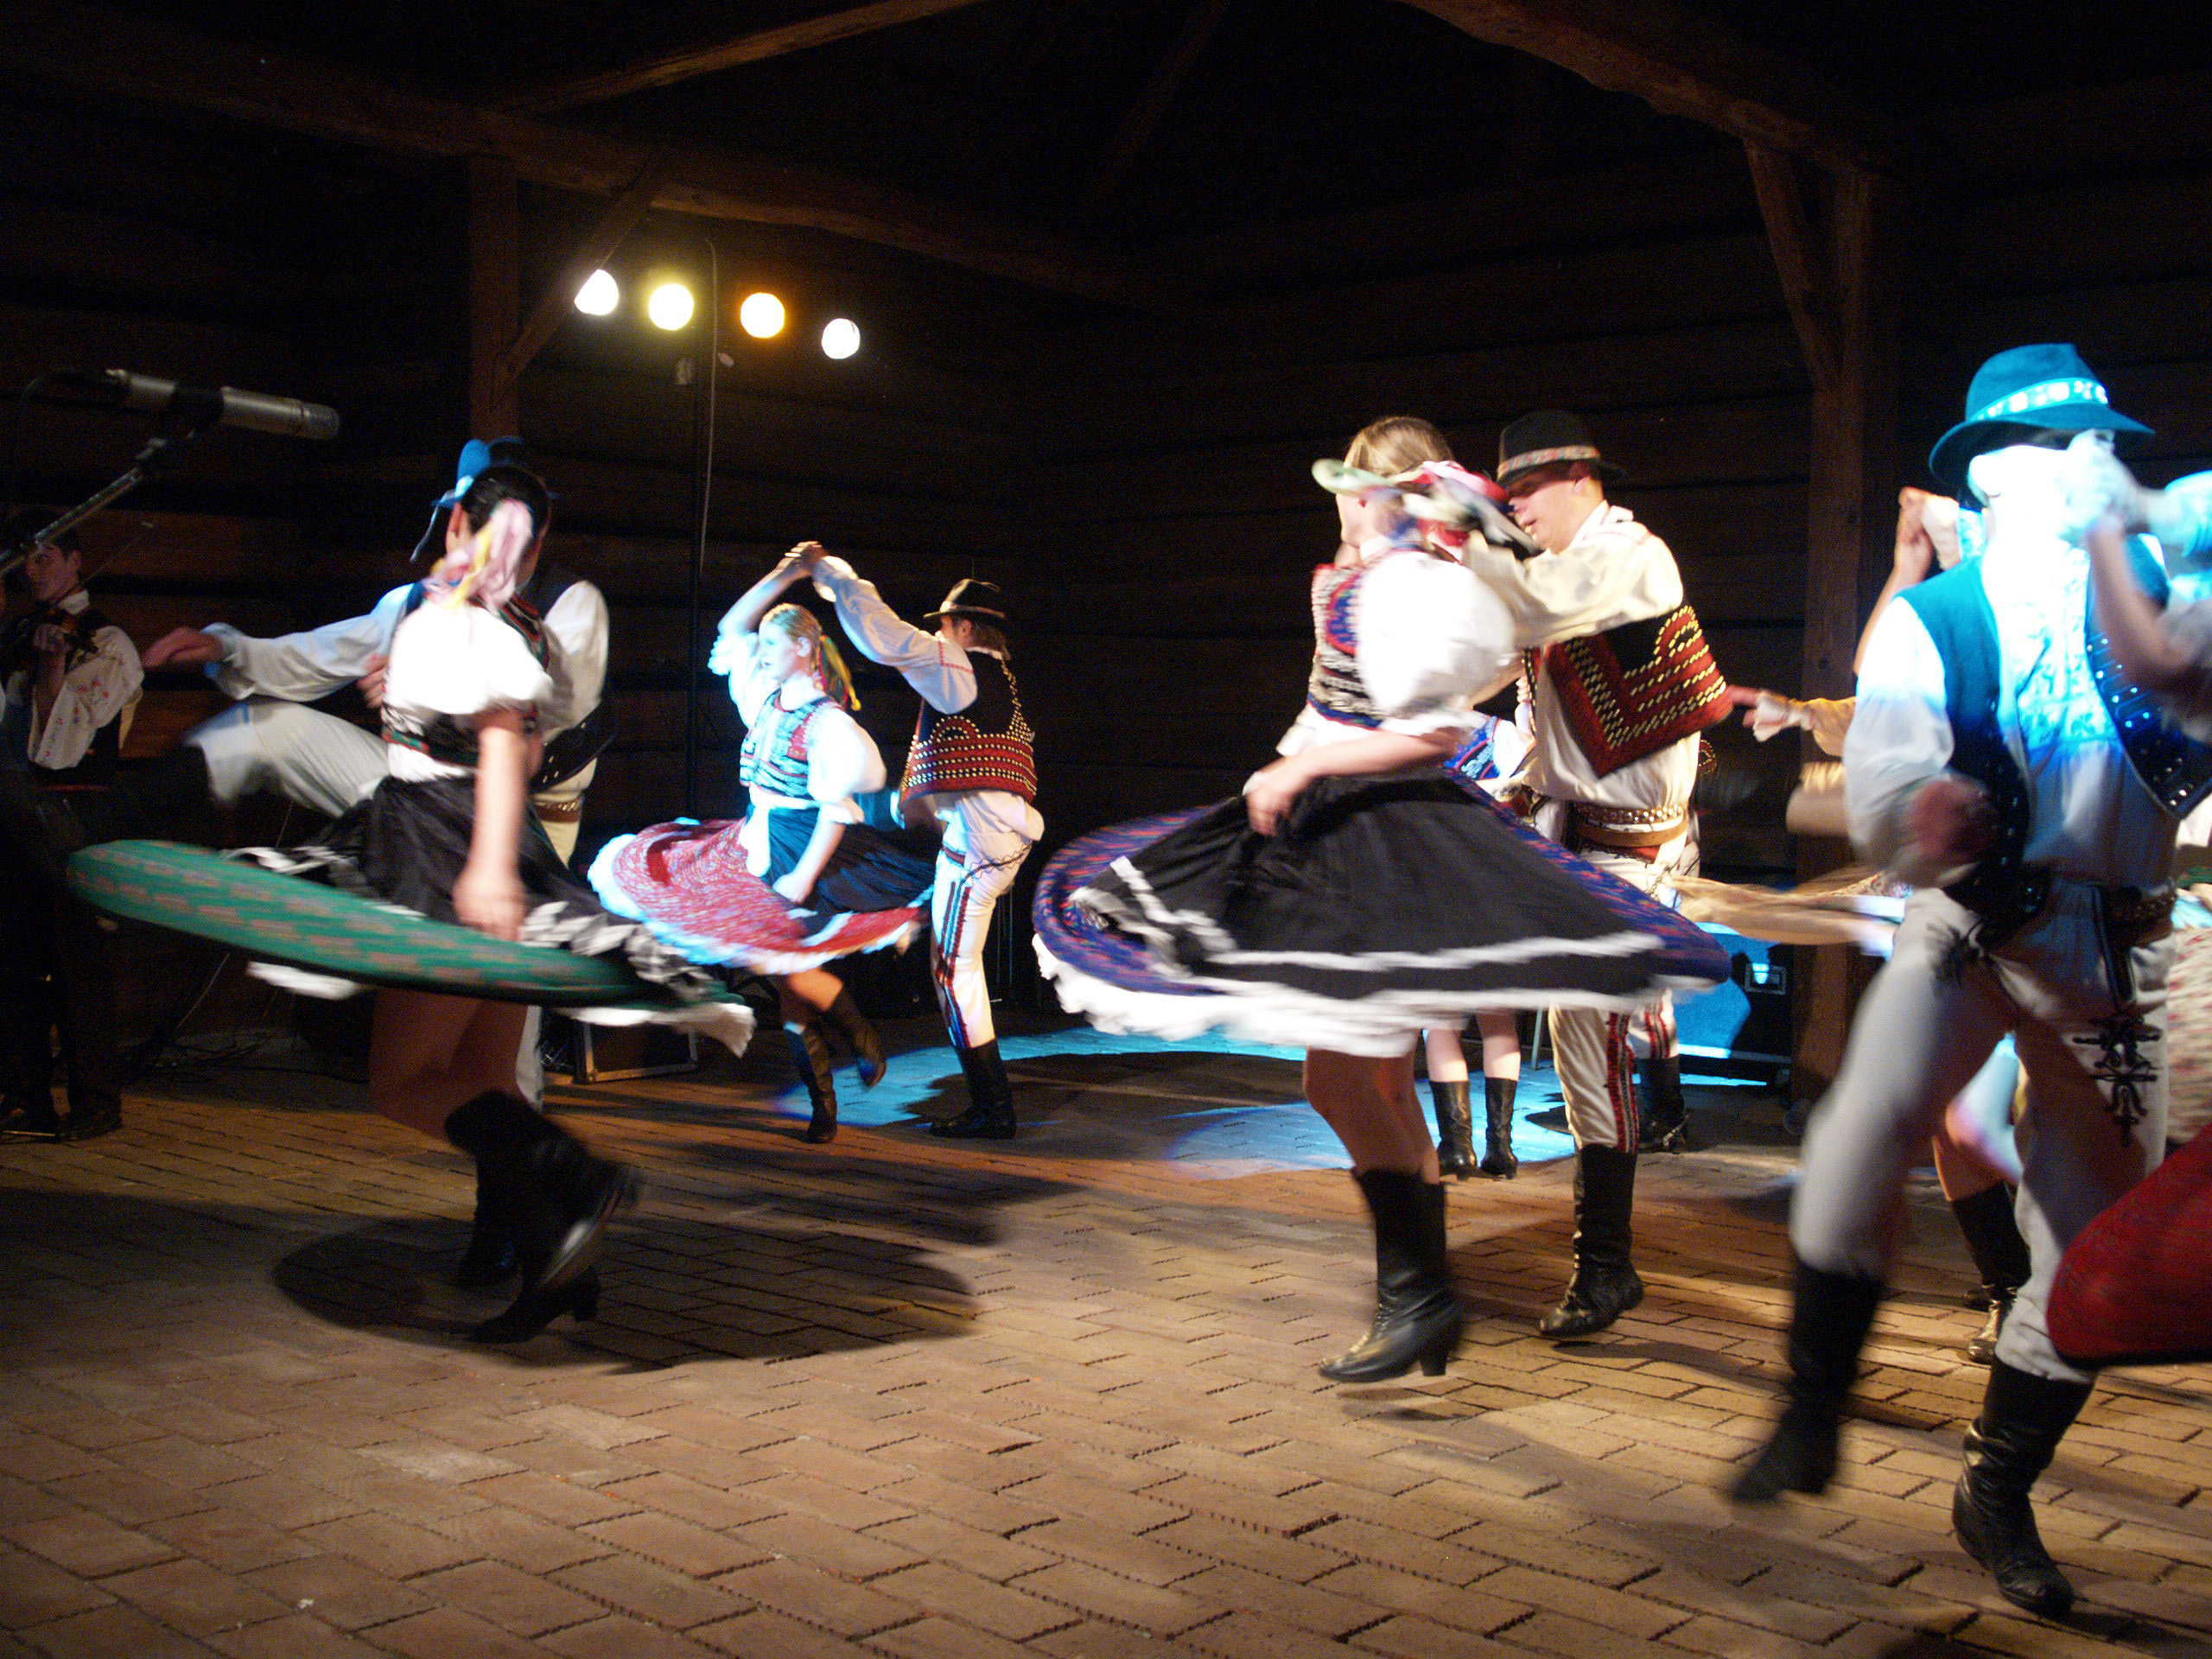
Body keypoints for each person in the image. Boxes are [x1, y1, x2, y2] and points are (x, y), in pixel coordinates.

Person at [1033, 433, 1726, 1385]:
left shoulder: (1450, 578)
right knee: (1361, 1082)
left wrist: (1305, 764)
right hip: (1357, 825)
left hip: (1390, 836)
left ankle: (1441, 1293)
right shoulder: (1377, 577)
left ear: (1392, 495)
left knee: (1367, 1076)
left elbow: (1434, 722)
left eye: (1361, 490)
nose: (1347, 506)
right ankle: (1421, 1299)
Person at [1727, 345, 2212, 1618]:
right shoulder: (1937, 620)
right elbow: (1884, 791)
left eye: (2091, 446)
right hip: (1970, 929)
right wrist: (1914, 821)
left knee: (2091, 1244)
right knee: (1857, 1139)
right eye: (2049, 449)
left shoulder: (2175, 588)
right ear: (1990, 470)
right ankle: (1813, 1405)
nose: (2075, 468)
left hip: (2115, 950)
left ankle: (1997, 1486)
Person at [228, 464, 748, 1343]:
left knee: (403, 1080)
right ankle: (556, 1258)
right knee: (488, 1078)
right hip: (491, 846)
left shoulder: (476, 618)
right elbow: (512, 729)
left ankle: (572, 1175)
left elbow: (517, 738)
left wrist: (484, 868)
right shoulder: (470, 619)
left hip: (457, 853)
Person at [143, 439, 608, 1285]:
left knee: (482, 1063)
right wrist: (224, 646)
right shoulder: (415, 603)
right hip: (429, 811)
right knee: (273, 727)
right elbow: (319, 654)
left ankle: (529, 1214)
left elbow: (546, 717)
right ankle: (550, 1212)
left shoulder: (565, 607)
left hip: (512, 830)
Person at [1458, 410, 1733, 1338]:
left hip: (1633, 852)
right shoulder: (1550, 580)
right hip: (1572, 843)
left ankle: (1605, 1265)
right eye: (1506, 495)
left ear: (1583, 479)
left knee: (1593, 1037)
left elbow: (1540, 604)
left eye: (1527, 490)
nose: (1517, 509)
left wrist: (1471, 536)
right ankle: (1604, 1266)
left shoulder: (1632, 558)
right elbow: (1495, 671)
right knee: (1582, 1048)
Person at [590, 550, 934, 1142]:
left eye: (775, 645)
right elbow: (732, 628)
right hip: (752, 839)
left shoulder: (828, 723)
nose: (764, 652)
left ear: (803, 648)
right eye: (765, 646)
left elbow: (836, 811)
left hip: (798, 847)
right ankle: (844, 1062)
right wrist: (787, 574)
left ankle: (847, 1054)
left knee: (780, 966)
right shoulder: (763, 697)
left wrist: (803, 876)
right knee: (780, 971)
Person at [795, 545, 1041, 1140]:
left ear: (962, 628)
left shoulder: (958, 668)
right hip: (991, 837)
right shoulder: (996, 678)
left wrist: (830, 573)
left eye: (944, 627)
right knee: (951, 960)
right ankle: (989, 1103)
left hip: (981, 845)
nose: (938, 637)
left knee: (954, 970)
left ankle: (993, 1109)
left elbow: (883, 635)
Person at [0, 511, 143, 1141]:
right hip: (14, 812)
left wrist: (52, 675)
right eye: (26, 558)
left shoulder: (108, 644)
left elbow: (58, 750)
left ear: (75, 561)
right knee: (13, 957)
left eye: (46, 556)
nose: (33, 570)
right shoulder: (19, 634)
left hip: (72, 817)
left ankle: (96, 1100)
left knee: (75, 960)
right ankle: (23, 1094)